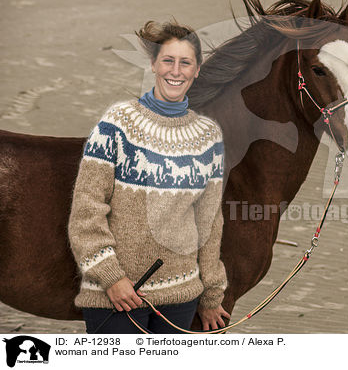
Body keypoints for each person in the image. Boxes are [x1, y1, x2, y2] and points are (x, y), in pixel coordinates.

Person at [68, 19, 230, 333]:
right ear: (154, 64)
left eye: (186, 63)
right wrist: (111, 277)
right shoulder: (117, 122)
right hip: (116, 297)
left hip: (180, 299)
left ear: (197, 71)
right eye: (168, 60)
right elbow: (86, 211)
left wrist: (211, 296)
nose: (176, 70)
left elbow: (209, 224)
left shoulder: (209, 137)